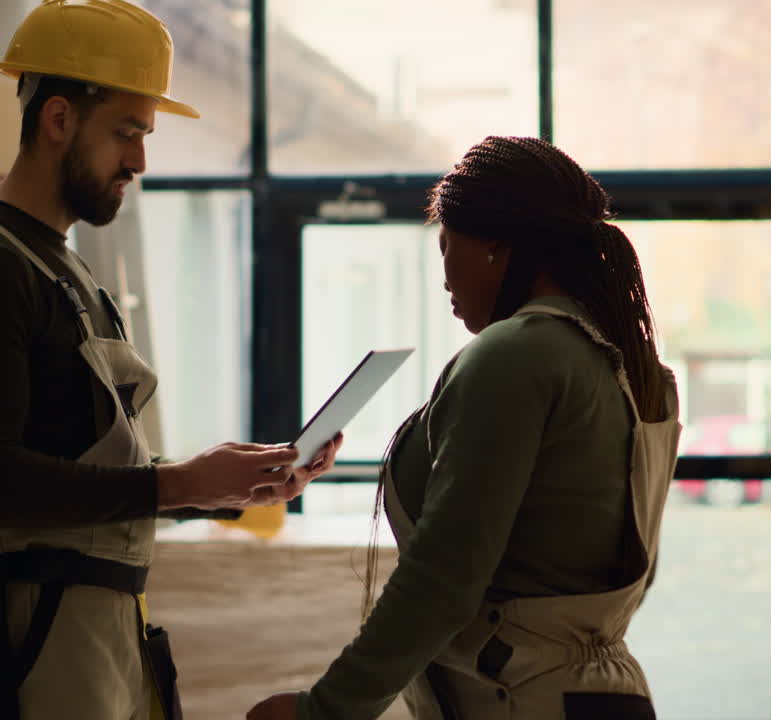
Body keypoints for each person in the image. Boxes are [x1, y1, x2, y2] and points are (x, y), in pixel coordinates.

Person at [249, 136, 683, 720]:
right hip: (603, 694)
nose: (446, 276)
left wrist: (325, 710)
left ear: (495, 244)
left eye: (446, 245)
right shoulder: (630, 363)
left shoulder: (517, 352)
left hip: (521, 699)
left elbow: (442, 579)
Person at [0, 2, 340, 718]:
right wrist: (171, 487)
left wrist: (215, 485)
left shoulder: (71, 273)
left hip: (102, 632)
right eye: (126, 133)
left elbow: (80, 469)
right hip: (35, 644)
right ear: (58, 119)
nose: (140, 161)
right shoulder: (5, 270)